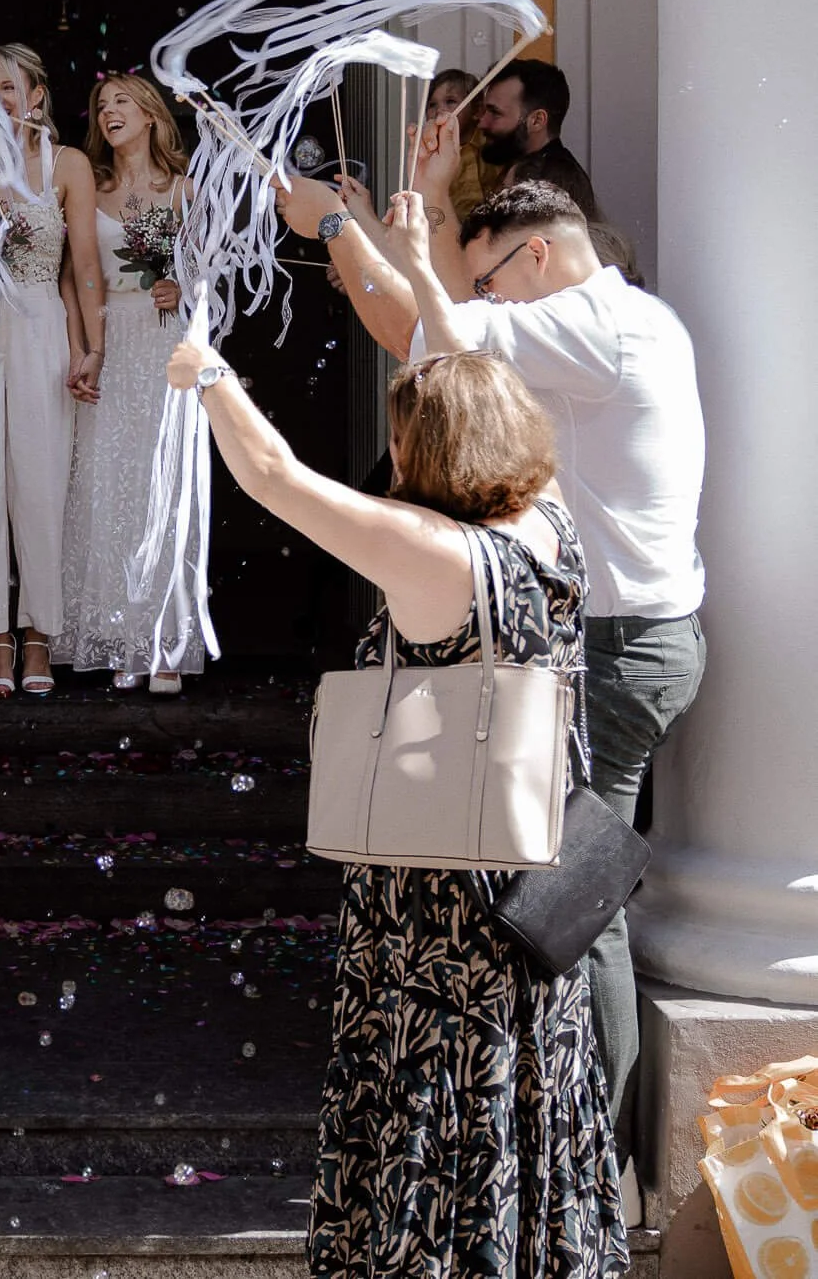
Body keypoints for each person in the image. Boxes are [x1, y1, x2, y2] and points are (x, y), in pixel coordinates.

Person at [281, 169, 705, 1201]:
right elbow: (441, 333)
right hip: (632, 636)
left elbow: (423, 336)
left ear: (542, 253)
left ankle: (591, 1167)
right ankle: (573, 1148)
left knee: (574, 901)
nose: (491, 299)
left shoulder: (594, 324)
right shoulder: (626, 321)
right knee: (569, 891)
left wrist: (338, 228)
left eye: (494, 279)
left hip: (612, 647)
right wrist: (406, 238)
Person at [165, 332, 627, 1279]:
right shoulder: (551, 525)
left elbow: (278, 479)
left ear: (426, 451)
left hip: (441, 901)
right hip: (536, 877)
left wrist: (209, 376)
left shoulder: (437, 557)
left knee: (433, 1085)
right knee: (522, 1078)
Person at [0, 43, 105, 697]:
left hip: (41, 326)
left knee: (41, 483)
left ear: (36, 95)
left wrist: (92, 345)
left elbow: (83, 265)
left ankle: (40, 635)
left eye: (9, 88)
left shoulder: (67, 165)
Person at [53, 74, 192, 693]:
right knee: (107, 484)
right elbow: (69, 276)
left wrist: (184, 286)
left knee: (162, 484)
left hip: (166, 341)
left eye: (121, 102)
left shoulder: (184, 187)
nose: (109, 112)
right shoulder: (91, 184)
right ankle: (118, 637)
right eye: (100, 105)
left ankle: (163, 640)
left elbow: (213, 270)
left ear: (151, 114)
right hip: (110, 339)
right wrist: (84, 349)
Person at [473, 59, 600, 218]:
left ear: (537, 120)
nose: (482, 123)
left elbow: (493, 242)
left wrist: (438, 188)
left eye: (495, 113)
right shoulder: (518, 164)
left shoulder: (550, 180)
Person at [424, 68, 488, 223]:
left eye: (450, 101)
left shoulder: (491, 146)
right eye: (432, 105)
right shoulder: (430, 154)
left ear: (477, 110)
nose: (439, 110)